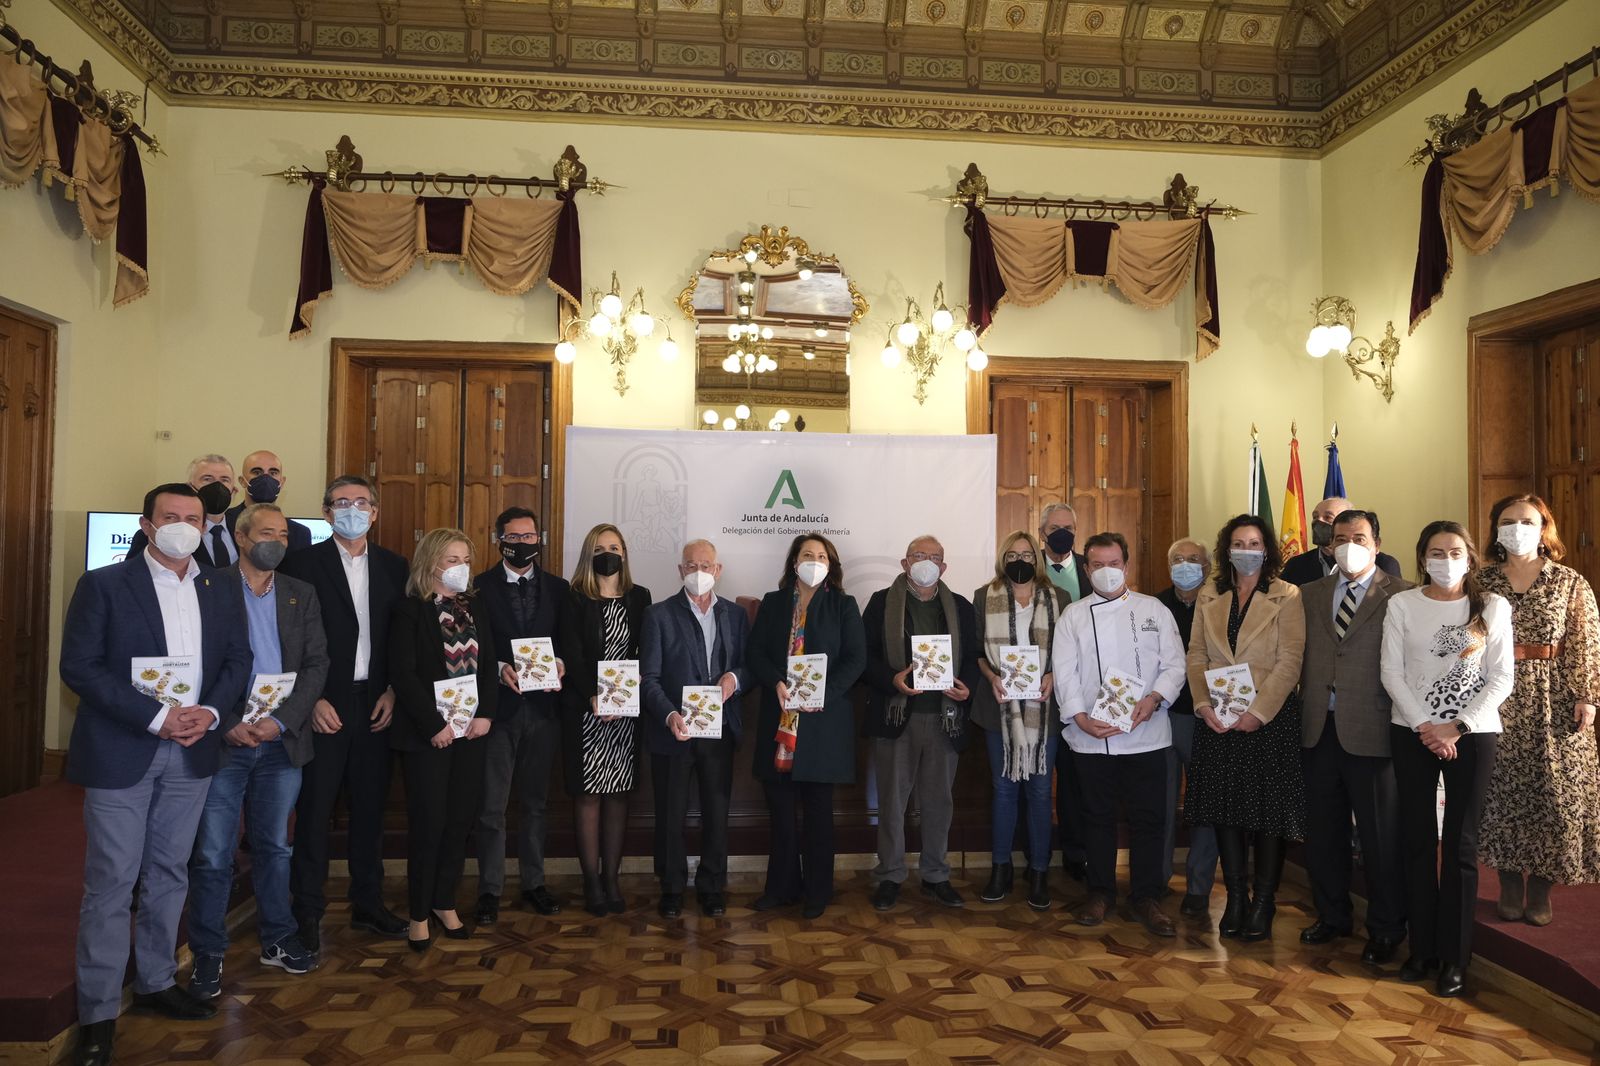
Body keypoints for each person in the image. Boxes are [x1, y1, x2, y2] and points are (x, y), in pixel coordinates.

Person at [61, 483, 252, 1066]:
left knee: (170, 871)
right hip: (124, 749)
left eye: (192, 518)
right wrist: (158, 716)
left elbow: (237, 660)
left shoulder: (222, 586)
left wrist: (213, 714)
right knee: (113, 883)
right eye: (170, 517)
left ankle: (156, 981)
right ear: (146, 525)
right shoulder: (104, 585)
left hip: (194, 749)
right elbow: (81, 668)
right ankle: (97, 1014)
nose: (182, 526)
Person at [188, 504, 330, 1000]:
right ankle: (208, 950)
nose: (277, 540)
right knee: (212, 855)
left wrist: (280, 720)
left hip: (281, 741)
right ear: (242, 538)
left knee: (274, 847)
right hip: (223, 740)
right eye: (267, 532)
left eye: (284, 534)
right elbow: (195, 667)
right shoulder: (209, 587)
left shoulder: (300, 593)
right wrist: (225, 723)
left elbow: (316, 664)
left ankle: (277, 937)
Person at [1381, 521, 1514, 998]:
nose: (1445, 559)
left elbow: (1501, 679)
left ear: (1470, 557)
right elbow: (1391, 673)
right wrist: (1427, 727)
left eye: (1454, 551)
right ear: (1422, 559)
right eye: (1436, 552)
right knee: (1416, 841)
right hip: (1412, 733)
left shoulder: (1492, 606)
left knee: (1459, 848)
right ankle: (1423, 950)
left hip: (1473, 735)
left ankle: (1455, 959)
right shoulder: (1402, 605)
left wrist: (1454, 727)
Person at [281, 476, 410, 952]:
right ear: (326, 512)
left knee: (370, 811)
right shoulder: (302, 564)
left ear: (374, 512)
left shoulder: (396, 567)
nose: (352, 510)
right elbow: (287, 640)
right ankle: (308, 911)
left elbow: (406, 638)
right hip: (322, 705)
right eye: (341, 503)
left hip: (377, 704)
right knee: (315, 812)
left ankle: (368, 903)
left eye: (361, 503)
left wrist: (395, 691)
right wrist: (309, 699)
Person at [1053, 532, 1187, 937]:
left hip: (1147, 735)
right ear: (1086, 568)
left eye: (1114, 564)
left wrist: (1154, 699)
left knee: (1150, 819)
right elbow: (1064, 673)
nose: (1106, 572)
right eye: (1097, 565)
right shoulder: (1073, 616)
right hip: (1091, 737)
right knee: (1095, 818)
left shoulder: (1155, 610)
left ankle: (1147, 896)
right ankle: (1100, 892)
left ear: (1126, 567)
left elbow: (1175, 665)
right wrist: (1078, 716)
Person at [1477, 493, 1600, 926]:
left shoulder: (1569, 582)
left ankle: (1543, 887)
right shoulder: (1482, 581)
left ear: (1544, 527)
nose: (1518, 528)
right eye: (1508, 520)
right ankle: (1510, 881)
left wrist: (1587, 696)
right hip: (1497, 695)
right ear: (1495, 528)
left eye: (1527, 521)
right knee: (1502, 791)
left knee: (1555, 794)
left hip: (1556, 697)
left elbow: (1585, 643)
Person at [1296, 509, 1411, 966]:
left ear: (1377, 544)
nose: (1349, 544)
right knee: (1324, 835)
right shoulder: (1307, 594)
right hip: (1317, 731)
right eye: (1340, 537)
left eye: (1359, 537)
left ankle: (1386, 927)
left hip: (1375, 732)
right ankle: (1332, 915)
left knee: (1382, 838)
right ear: (1329, 545)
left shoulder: (1402, 595)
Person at [1185, 514, 1307, 941]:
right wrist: (1202, 705)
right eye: (1239, 543)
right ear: (1227, 549)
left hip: (1268, 722)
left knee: (1268, 816)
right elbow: (1196, 654)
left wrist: (1257, 711)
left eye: (1255, 543)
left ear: (1267, 549)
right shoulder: (1209, 595)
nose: (1247, 550)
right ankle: (1236, 898)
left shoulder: (1287, 595)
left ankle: (1264, 903)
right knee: (1225, 812)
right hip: (1217, 719)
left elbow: (1291, 660)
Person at [388, 529, 499, 950]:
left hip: (472, 732)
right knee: (429, 823)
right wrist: (433, 725)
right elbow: (404, 673)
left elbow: (488, 664)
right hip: (428, 737)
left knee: (459, 822)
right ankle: (418, 912)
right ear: (432, 562)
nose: (461, 566)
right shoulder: (409, 610)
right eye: (452, 558)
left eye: (465, 558)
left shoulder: (476, 606)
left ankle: (444, 901)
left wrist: (486, 713)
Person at [746, 533, 867, 918]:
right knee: (780, 811)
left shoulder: (844, 605)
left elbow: (856, 659)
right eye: (806, 555)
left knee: (818, 812)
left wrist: (824, 694)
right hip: (780, 722)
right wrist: (777, 682)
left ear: (831, 564)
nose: (813, 560)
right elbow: (756, 653)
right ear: (793, 562)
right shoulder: (774, 603)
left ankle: (817, 892)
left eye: (820, 555)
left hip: (823, 723)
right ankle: (781, 887)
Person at [862, 535, 981, 911]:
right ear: (904, 563)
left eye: (935, 557)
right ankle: (891, 874)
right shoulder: (882, 603)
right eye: (919, 556)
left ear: (944, 568)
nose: (927, 562)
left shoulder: (959, 606)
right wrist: (890, 680)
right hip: (897, 716)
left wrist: (968, 689)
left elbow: (974, 656)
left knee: (938, 803)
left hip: (945, 718)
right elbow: (864, 657)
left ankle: (936, 875)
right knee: (893, 802)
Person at [472, 506, 572, 924]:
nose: (524, 544)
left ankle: (534, 883)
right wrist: (498, 669)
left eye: (530, 537)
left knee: (535, 804)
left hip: (545, 710)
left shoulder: (559, 588)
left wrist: (563, 663)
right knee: (491, 807)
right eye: (515, 537)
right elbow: (474, 645)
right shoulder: (478, 587)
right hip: (499, 710)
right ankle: (490, 890)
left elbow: (567, 641)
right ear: (500, 541)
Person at [639, 539, 750, 918]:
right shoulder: (658, 615)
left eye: (706, 565)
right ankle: (671, 888)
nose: (698, 572)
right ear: (680, 571)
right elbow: (648, 678)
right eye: (691, 565)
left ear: (718, 571)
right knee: (669, 814)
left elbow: (747, 665)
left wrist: (734, 678)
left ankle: (711, 886)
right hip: (673, 730)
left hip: (719, 730)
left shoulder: (735, 615)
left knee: (716, 813)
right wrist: (670, 715)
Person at [971, 531, 1067, 910]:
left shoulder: (1059, 597)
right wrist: (993, 677)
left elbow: (1068, 650)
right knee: (1005, 789)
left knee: (1042, 793)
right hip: (999, 710)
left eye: (1027, 554)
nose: (1021, 560)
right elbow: (978, 651)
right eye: (1013, 554)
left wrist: (1053, 675)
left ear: (1037, 559)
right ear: (1003, 558)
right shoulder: (985, 595)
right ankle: (1000, 868)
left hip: (1045, 711)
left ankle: (1039, 871)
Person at [563, 524, 652, 915]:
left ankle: (612, 879)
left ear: (624, 553)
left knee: (618, 795)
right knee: (588, 797)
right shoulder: (574, 598)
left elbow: (646, 651)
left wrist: (623, 697)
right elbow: (572, 653)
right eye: (600, 547)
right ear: (588, 554)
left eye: (614, 546)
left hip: (626, 712)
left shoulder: (640, 597)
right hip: (587, 710)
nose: (608, 553)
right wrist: (594, 696)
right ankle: (591, 882)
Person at [1157, 537, 1219, 924]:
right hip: (1162, 718)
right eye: (1178, 559)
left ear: (1208, 567)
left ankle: (1198, 888)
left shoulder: (1222, 604)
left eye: (1194, 560)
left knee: (1206, 807)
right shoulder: (1153, 606)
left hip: (1208, 719)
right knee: (1159, 805)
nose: (1185, 565)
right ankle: (1156, 878)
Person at [1039, 502, 1091, 883]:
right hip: (1037, 692)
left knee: (1076, 782)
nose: (1062, 533)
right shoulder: (1024, 566)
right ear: (1042, 531)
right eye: (1055, 527)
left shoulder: (1092, 570)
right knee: (1036, 781)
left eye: (1069, 527)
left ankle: (1077, 854)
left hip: (1083, 693)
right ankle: (1035, 857)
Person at [125, 454, 241, 567]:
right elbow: (131, 577)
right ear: (190, 487)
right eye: (207, 479)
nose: (217, 486)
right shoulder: (156, 534)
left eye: (225, 480)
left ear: (234, 490)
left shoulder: (244, 529)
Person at [1281, 496, 1403, 586]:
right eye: (1315, 517)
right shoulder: (1296, 565)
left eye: (1328, 517)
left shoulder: (1384, 564)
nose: (1318, 522)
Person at [225, 450, 313, 553]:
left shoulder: (300, 534)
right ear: (242, 481)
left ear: (282, 482)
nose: (266, 478)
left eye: (273, 473)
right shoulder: (224, 523)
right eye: (257, 472)